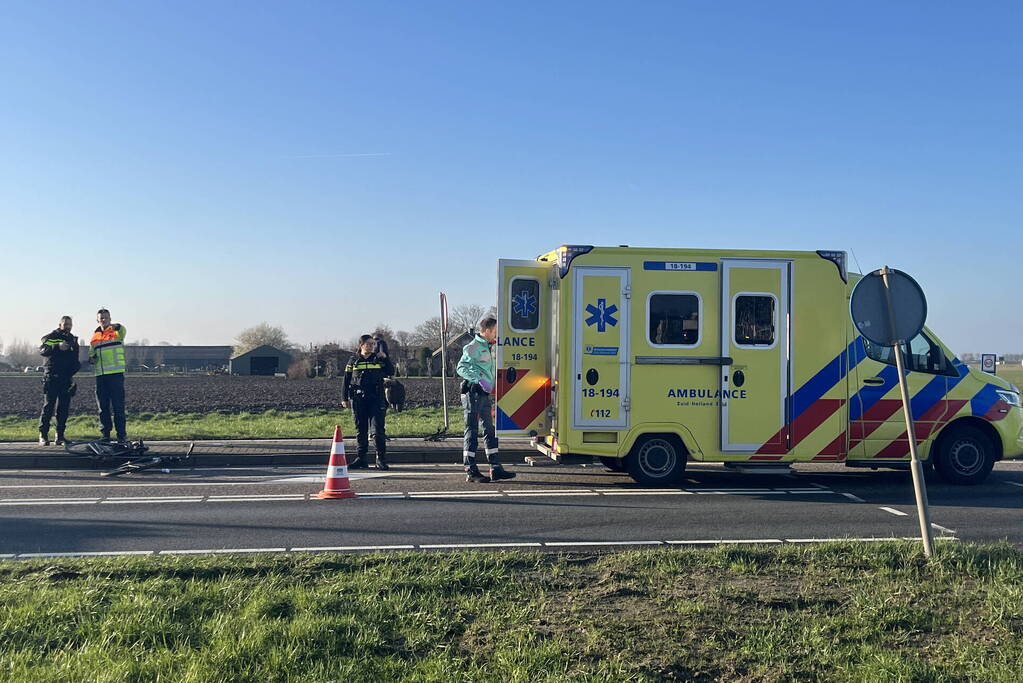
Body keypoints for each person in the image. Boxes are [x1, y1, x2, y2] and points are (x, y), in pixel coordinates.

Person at [456, 316, 515, 483]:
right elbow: (461, 367)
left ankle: (495, 468)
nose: (496, 334)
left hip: (483, 395)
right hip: (472, 393)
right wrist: (478, 379)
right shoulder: (473, 347)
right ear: (487, 330)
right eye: (495, 331)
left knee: (490, 429)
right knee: (472, 430)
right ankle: (471, 470)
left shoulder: (490, 347)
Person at [342, 334, 394, 470]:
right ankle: (361, 458)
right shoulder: (353, 361)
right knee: (361, 430)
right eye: (368, 344)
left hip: (376, 398)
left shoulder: (377, 359)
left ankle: (380, 459)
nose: (371, 346)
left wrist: (386, 358)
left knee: (378, 429)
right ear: (361, 345)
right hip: (358, 398)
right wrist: (344, 398)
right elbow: (346, 380)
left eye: (373, 344)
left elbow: (390, 371)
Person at [37, 316, 81, 446]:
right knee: (48, 407)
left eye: (70, 324)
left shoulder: (73, 339)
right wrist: (57, 346)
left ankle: (60, 436)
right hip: (52, 377)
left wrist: (74, 372)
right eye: (65, 324)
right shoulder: (50, 337)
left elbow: (75, 358)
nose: (68, 326)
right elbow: (43, 351)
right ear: (60, 324)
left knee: (63, 409)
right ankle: (43, 435)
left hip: (66, 379)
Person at [89, 308, 128, 441]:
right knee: (103, 408)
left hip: (115, 375)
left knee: (118, 407)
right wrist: (91, 359)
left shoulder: (116, 332)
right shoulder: (94, 337)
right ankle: (105, 435)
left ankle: (121, 435)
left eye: (106, 317)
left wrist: (116, 325)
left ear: (110, 318)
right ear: (97, 320)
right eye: (101, 318)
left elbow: (123, 330)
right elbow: (91, 354)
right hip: (100, 376)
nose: (104, 320)